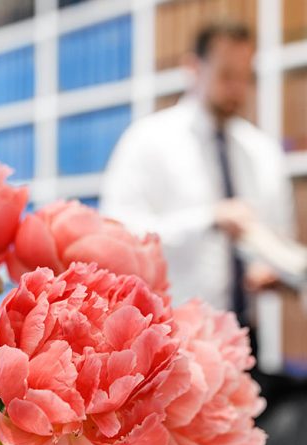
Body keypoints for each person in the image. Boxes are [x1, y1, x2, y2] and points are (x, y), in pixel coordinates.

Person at [101, 21, 294, 332]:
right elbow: (118, 234)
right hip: (170, 330)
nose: (237, 89)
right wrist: (208, 220)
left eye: (245, 77)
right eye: (226, 75)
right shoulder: (148, 141)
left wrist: (272, 269)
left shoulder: (262, 152)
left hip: (243, 331)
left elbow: (280, 236)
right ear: (193, 68)